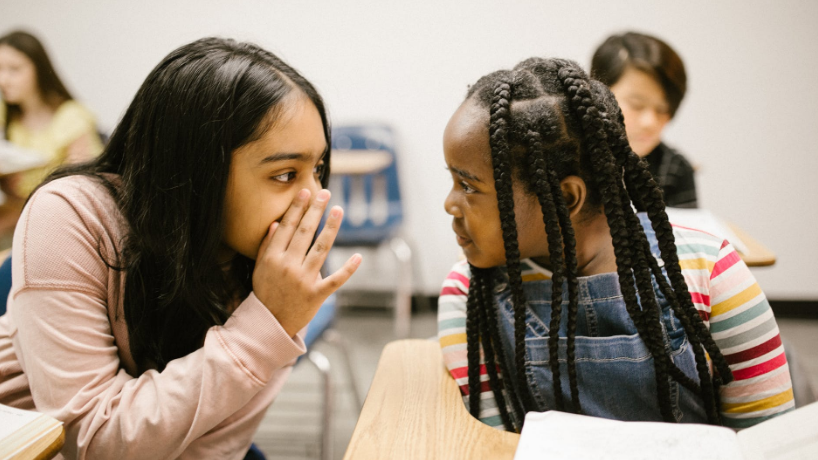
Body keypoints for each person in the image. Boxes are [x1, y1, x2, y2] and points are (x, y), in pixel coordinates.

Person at [0, 37, 361, 459]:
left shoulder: (274, 269)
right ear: (196, 169)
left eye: (317, 169)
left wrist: (272, 318)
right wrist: (264, 326)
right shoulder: (69, 214)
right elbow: (94, 443)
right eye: (285, 174)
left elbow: (215, 448)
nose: (314, 199)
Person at [438, 57, 793, 433]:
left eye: (469, 186)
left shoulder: (713, 274)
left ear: (566, 199)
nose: (449, 204)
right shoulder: (468, 291)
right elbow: (495, 443)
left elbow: (765, 441)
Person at [0, 30, 104, 243]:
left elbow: (84, 188)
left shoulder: (72, 116)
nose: (3, 80)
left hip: (59, 220)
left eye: (14, 70)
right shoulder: (7, 115)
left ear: (38, 68)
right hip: (19, 214)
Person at [591, 32, 697, 208]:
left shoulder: (675, 169)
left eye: (663, 109)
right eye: (636, 105)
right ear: (597, 93)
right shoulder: (563, 154)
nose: (650, 122)